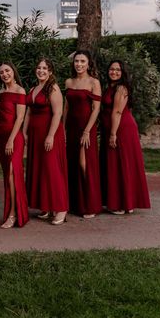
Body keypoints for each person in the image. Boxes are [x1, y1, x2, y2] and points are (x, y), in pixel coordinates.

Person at [100, 60, 151, 214]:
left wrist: (113, 134)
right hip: (113, 128)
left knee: (121, 164)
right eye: (111, 69)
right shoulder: (110, 87)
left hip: (121, 129)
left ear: (123, 73)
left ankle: (123, 204)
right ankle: (120, 201)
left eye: (118, 70)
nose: (114, 72)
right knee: (115, 164)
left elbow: (117, 112)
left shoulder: (121, 88)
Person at [23, 58, 68, 226]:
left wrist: (50, 135)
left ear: (50, 72)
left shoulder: (53, 88)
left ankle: (61, 208)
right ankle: (47, 206)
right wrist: (24, 132)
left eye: (45, 68)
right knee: (40, 169)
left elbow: (57, 114)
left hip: (50, 134)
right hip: (35, 134)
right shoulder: (34, 88)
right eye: (39, 67)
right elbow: (28, 112)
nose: (41, 70)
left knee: (52, 169)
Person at [64, 50, 103, 218]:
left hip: (86, 128)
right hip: (71, 127)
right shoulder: (69, 82)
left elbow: (96, 109)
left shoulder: (94, 82)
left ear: (88, 64)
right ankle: (75, 204)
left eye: (82, 61)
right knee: (72, 163)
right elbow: (66, 107)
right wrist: (62, 129)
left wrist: (87, 131)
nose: (79, 64)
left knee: (84, 163)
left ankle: (90, 204)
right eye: (76, 61)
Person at [0, 62, 29, 228]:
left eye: (7, 71)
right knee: (7, 176)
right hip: (1, 137)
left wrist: (10, 139)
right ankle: (12, 210)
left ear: (13, 72)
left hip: (14, 138)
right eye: (1, 72)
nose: (5, 74)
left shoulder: (20, 91)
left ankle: (14, 214)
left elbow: (20, 118)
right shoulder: (1, 92)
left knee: (12, 174)